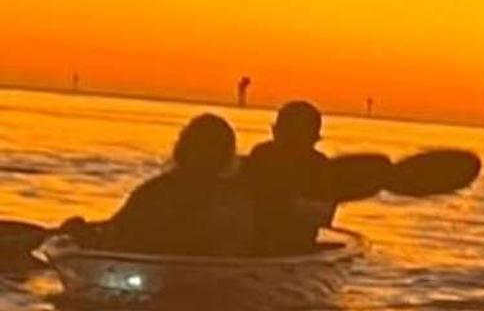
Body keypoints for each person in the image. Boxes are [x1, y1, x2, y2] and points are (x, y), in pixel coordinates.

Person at [68, 113, 252, 255]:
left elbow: (118, 236)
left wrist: (80, 234)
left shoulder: (156, 192)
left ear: (183, 148)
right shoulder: (235, 198)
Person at [238, 100, 333, 255]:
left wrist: (289, 203)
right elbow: (241, 195)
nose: (289, 146)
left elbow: (324, 215)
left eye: (295, 138)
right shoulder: (263, 154)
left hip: (296, 245)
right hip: (258, 241)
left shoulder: (318, 165)